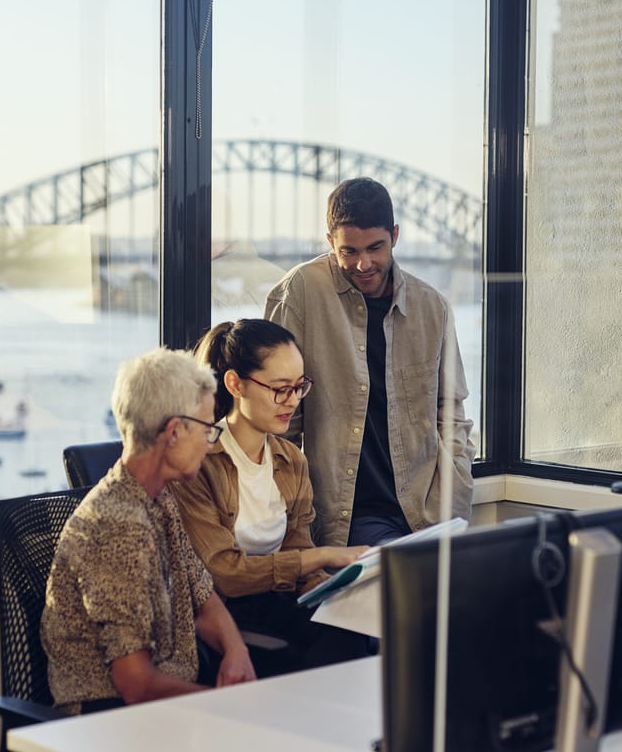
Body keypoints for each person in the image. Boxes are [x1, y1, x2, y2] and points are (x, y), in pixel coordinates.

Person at [41, 347, 256, 715]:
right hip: (107, 720)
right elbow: (136, 685)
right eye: (207, 430)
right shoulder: (115, 527)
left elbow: (203, 598)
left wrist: (237, 650)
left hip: (165, 703)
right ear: (174, 432)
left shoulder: (159, 499)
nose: (210, 444)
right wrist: (224, 707)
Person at [265, 177, 475, 547]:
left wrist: (454, 495)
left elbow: (451, 413)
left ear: (395, 236)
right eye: (348, 251)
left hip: (427, 513)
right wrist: (293, 527)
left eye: (375, 247)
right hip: (347, 519)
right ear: (330, 242)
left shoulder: (432, 308)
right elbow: (277, 418)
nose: (363, 264)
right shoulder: (300, 293)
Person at [169, 319, 370, 672]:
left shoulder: (290, 459)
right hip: (220, 614)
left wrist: (336, 590)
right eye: (280, 389)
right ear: (235, 384)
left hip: (278, 603)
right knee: (334, 647)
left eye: (299, 387)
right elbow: (224, 574)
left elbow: (297, 549)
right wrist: (323, 556)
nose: (292, 401)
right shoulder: (199, 461)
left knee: (357, 625)